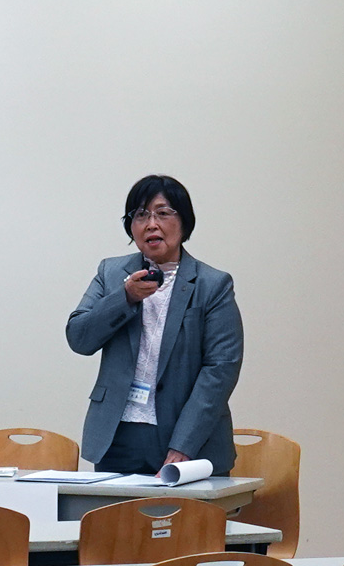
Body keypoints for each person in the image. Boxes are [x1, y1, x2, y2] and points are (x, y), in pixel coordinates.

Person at [66, 174, 244, 476]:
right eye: (140, 215)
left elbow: (220, 370)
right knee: (115, 510)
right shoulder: (111, 273)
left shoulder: (213, 285)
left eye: (162, 213)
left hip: (188, 439)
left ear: (184, 222)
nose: (151, 224)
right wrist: (125, 297)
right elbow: (79, 338)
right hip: (118, 436)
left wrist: (184, 445)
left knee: (184, 511)